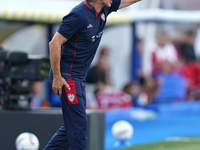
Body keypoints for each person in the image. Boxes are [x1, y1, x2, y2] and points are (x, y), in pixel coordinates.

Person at [43, 0, 142, 150]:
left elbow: (125, 1)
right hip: (66, 76)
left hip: (78, 77)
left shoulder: (104, 8)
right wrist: (57, 76)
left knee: (74, 125)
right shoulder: (78, 15)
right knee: (79, 124)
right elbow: (54, 43)